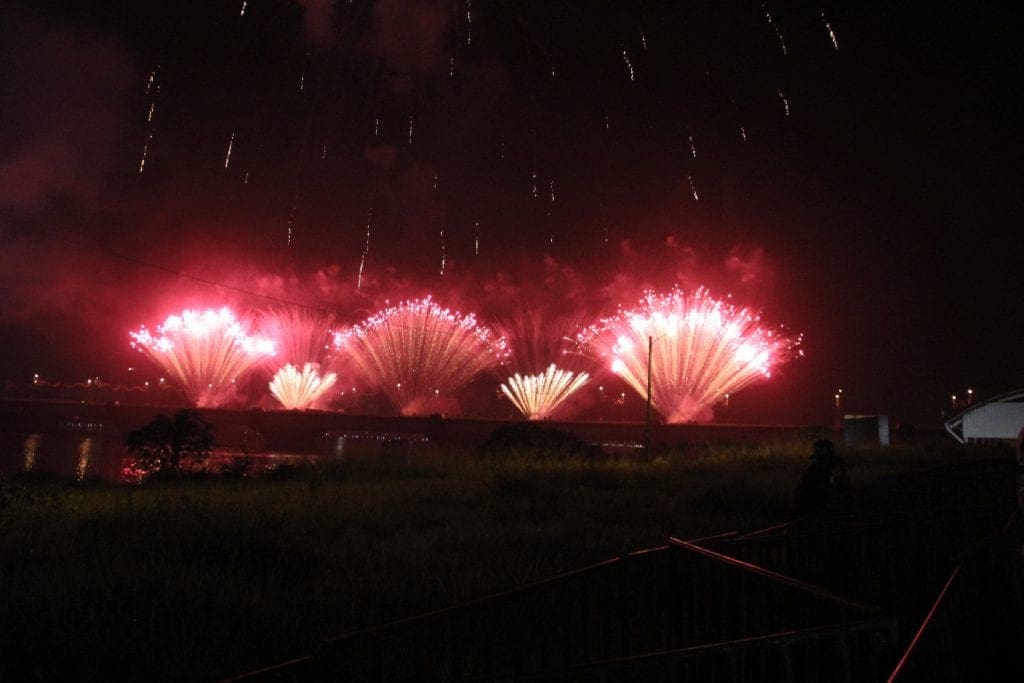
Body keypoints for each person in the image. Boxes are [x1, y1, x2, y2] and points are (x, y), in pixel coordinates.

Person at [790, 438, 849, 519]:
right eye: (829, 458)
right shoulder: (814, 473)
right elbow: (826, 493)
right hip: (810, 515)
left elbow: (842, 489)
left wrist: (843, 471)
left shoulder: (827, 474)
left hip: (817, 513)